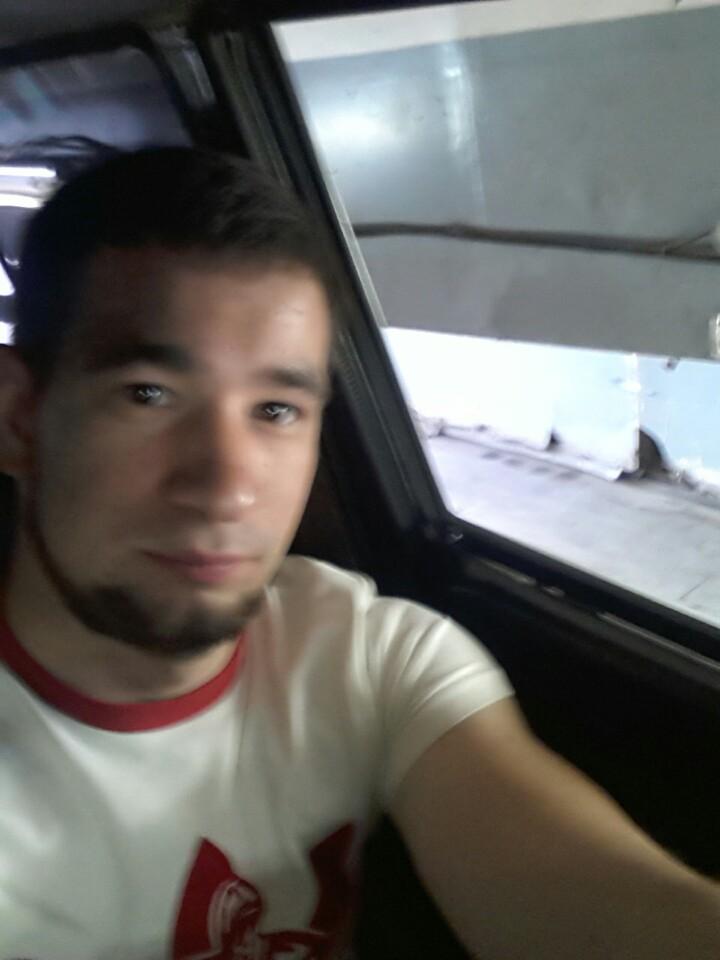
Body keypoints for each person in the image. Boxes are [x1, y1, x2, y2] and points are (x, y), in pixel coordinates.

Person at [0, 147, 717, 960]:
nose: (227, 487)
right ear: (19, 418)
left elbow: (607, 899)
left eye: (276, 409)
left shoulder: (364, 656)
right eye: (148, 395)